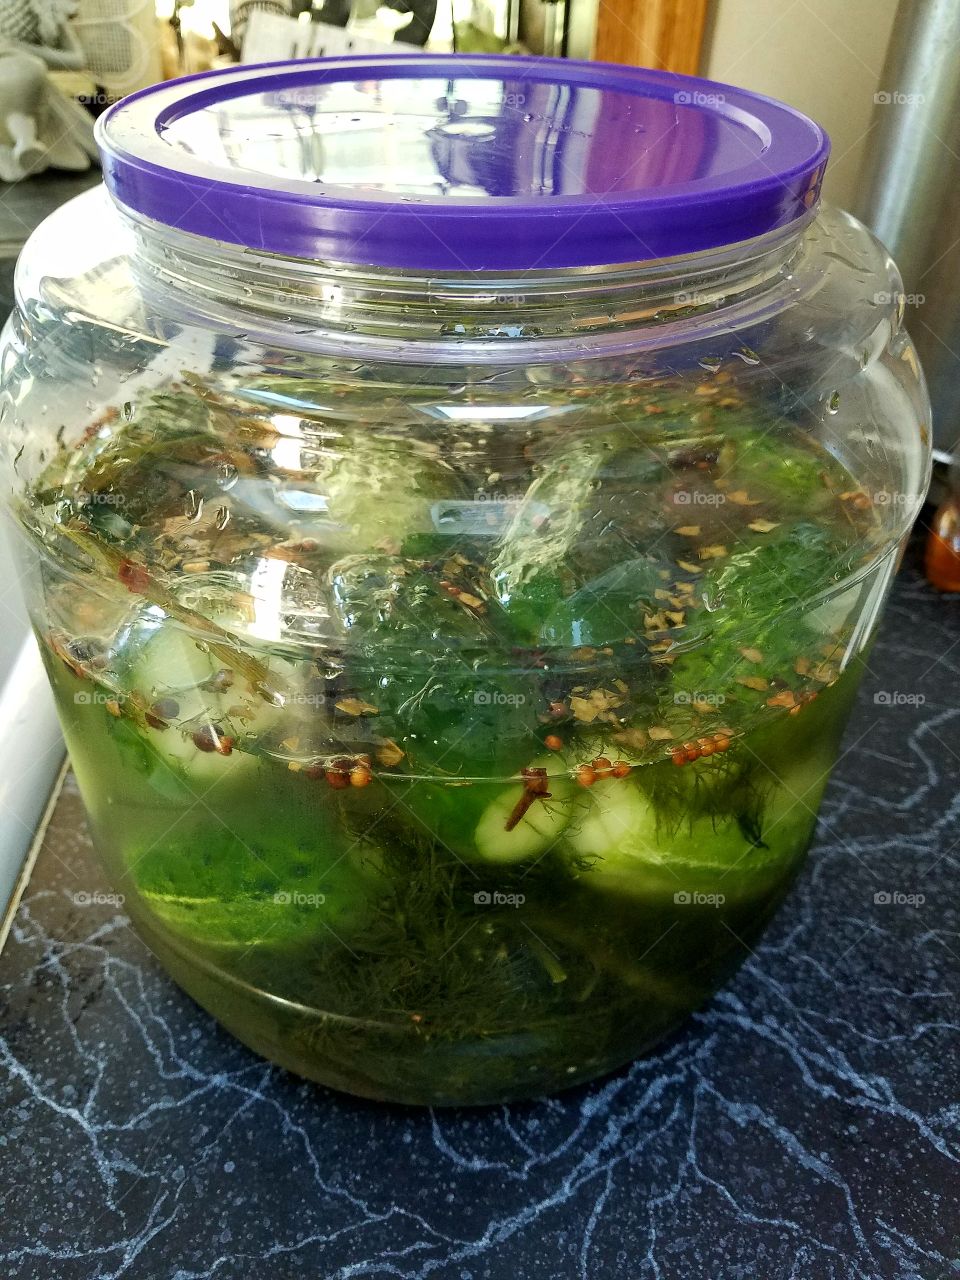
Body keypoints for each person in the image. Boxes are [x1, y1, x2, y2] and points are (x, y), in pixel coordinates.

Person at [0, 0, 98, 182]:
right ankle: (20, 145)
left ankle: (26, 144)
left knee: (30, 74)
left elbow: (77, 60)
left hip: (28, 75)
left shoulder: (50, 7)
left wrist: (21, 48)